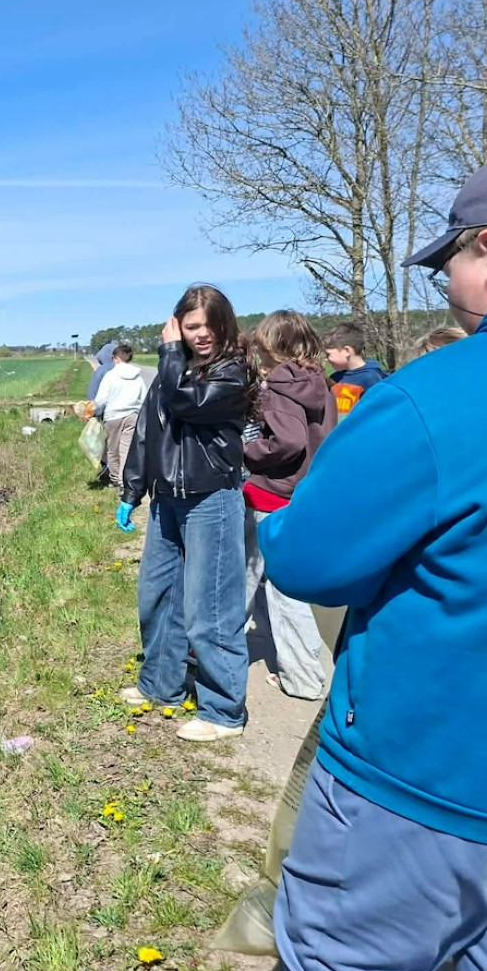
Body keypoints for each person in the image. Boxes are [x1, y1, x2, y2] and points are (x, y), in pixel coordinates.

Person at [260, 149, 487, 971]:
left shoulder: (432, 397)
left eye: (448, 262)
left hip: (429, 791)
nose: (444, 286)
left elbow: (309, 562)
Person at [116, 283, 252, 743]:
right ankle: (160, 686)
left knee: (209, 606)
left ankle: (222, 710)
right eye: (191, 326)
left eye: (209, 325)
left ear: (224, 325)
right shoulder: (172, 372)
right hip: (166, 500)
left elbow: (186, 403)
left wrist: (170, 351)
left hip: (211, 497)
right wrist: (131, 490)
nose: (202, 334)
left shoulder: (232, 372)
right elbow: (145, 433)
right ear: (179, 325)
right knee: (158, 597)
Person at [242, 311, 336, 701]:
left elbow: (289, 441)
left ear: (273, 348)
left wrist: (248, 451)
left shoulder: (278, 388)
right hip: (302, 493)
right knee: (283, 582)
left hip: (269, 493)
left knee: (250, 578)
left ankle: (301, 678)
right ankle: (297, 664)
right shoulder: (320, 384)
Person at [93, 343, 147, 487]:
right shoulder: (138, 377)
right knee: (126, 451)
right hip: (132, 417)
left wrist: (96, 412)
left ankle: (116, 480)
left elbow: (101, 400)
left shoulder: (110, 376)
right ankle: (125, 481)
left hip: (113, 418)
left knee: (113, 451)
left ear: (116, 358)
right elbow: (144, 399)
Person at [323, 322, 388, 417]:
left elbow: (379, 413)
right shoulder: (335, 378)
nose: (326, 359)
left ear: (347, 351)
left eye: (328, 354)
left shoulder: (371, 378)